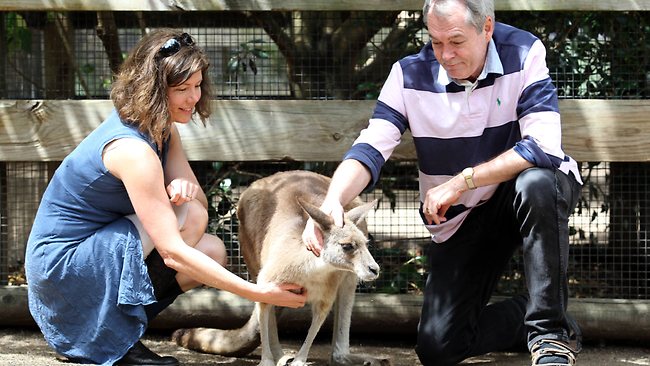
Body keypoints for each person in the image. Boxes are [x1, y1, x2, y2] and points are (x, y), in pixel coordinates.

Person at [302, 1, 583, 365]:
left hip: (519, 194)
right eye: (436, 42)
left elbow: (543, 146)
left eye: (456, 41)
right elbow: (372, 146)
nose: (445, 55)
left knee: (538, 184)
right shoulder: (407, 74)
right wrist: (333, 200)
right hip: (460, 218)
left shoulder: (525, 51)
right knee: (438, 348)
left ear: (487, 28)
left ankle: (549, 336)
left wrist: (461, 182)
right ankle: (536, 312)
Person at [25, 29, 307, 366]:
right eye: (181, 89)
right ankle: (108, 341)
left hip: (99, 255)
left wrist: (185, 195)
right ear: (155, 90)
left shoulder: (161, 129)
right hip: (62, 267)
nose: (193, 98)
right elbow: (172, 251)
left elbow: (200, 207)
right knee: (182, 223)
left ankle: (104, 334)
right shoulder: (132, 150)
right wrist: (259, 293)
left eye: (197, 85)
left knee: (211, 249)